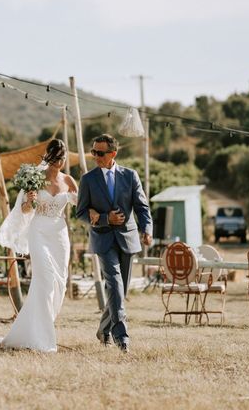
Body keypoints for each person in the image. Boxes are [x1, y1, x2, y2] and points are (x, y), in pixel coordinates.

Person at [0, 139, 78, 352]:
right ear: (48, 157)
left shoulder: (68, 180)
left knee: (59, 283)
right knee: (45, 280)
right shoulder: (35, 178)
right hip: (39, 231)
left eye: (62, 158)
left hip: (59, 234)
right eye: (56, 158)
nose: (59, 162)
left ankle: (32, 329)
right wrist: (30, 201)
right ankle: (44, 339)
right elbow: (25, 210)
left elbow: (81, 203)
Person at [76, 133, 152, 353]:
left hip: (128, 239)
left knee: (120, 290)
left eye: (100, 153)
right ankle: (122, 338)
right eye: (93, 152)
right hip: (103, 240)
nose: (95, 157)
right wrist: (103, 218)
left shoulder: (130, 175)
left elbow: (141, 207)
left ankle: (103, 329)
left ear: (113, 154)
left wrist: (146, 229)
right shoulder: (88, 180)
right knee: (116, 285)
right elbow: (80, 212)